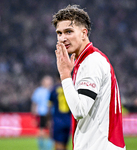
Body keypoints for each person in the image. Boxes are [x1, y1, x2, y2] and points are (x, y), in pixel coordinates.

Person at [52, 4, 126, 150]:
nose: (62, 38)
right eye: (59, 33)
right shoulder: (85, 61)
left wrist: (64, 75)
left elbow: (80, 110)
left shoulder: (92, 62)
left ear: (84, 33)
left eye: (68, 31)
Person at [49, 73, 71, 150]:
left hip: (58, 121)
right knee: (65, 145)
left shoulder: (54, 89)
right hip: (68, 121)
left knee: (58, 144)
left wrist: (49, 121)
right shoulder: (70, 88)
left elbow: (49, 106)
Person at [31, 75, 53, 150]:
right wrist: (33, 116)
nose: (49, 82)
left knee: (51, 130)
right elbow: (35, 103)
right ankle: (41, 147)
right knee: (41, 130)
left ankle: (48, 147)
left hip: (50, 113)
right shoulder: (39, 91)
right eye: (47, 81)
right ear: (43, 82)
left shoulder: (52, 90)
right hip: (41, 113)